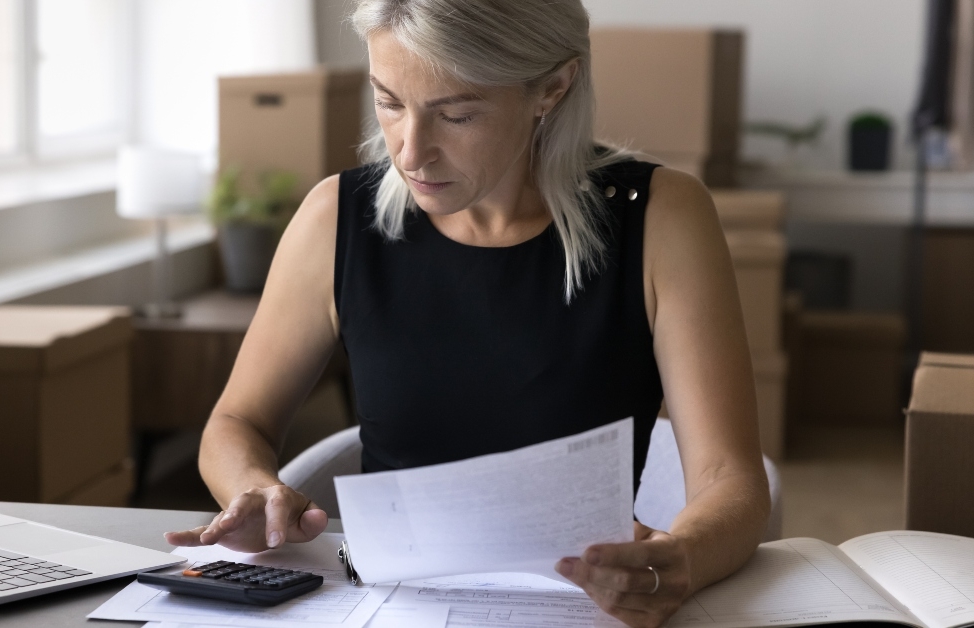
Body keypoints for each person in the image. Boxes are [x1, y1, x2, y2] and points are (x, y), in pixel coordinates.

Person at [165, 1, 770, 626]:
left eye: (456, 113)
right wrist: (252, 487)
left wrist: (682, 556)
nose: (411, 152)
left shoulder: (662, 217)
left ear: (553, 88)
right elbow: (238, 421)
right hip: (389, 607)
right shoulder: (334, 218)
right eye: (390, 102)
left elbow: (731, 479)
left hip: (575, 608)